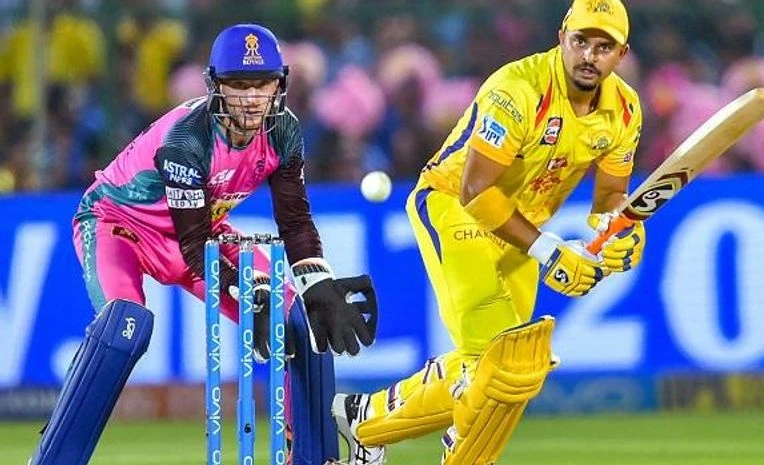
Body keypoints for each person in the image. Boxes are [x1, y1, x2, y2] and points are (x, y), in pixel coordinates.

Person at [29, 23, 377, 465]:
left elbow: (294, 221)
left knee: (298, 316)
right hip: (119, 226)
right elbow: (196, 250)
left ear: (280, 84)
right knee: (124, 327)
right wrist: (248, 292)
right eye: (239, 85)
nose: (252, 98)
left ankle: (312, 458)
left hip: (203, 230)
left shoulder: (284, 132)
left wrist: (317, 281)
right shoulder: (188, 138)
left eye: (263, 84)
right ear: (216, 86)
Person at [331, 1, 644, 464]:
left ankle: (364, 420)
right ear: (562, 37)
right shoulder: (518, 89)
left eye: (604, 47)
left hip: (519, 230)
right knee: (503, 360)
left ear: (621, 54)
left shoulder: (624, 109)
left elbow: (610, 197)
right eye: (581, 41)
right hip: (454, 207)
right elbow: (476, 190)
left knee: (514, 366)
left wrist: (621, 232)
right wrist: (549, 251)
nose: (588, 56)